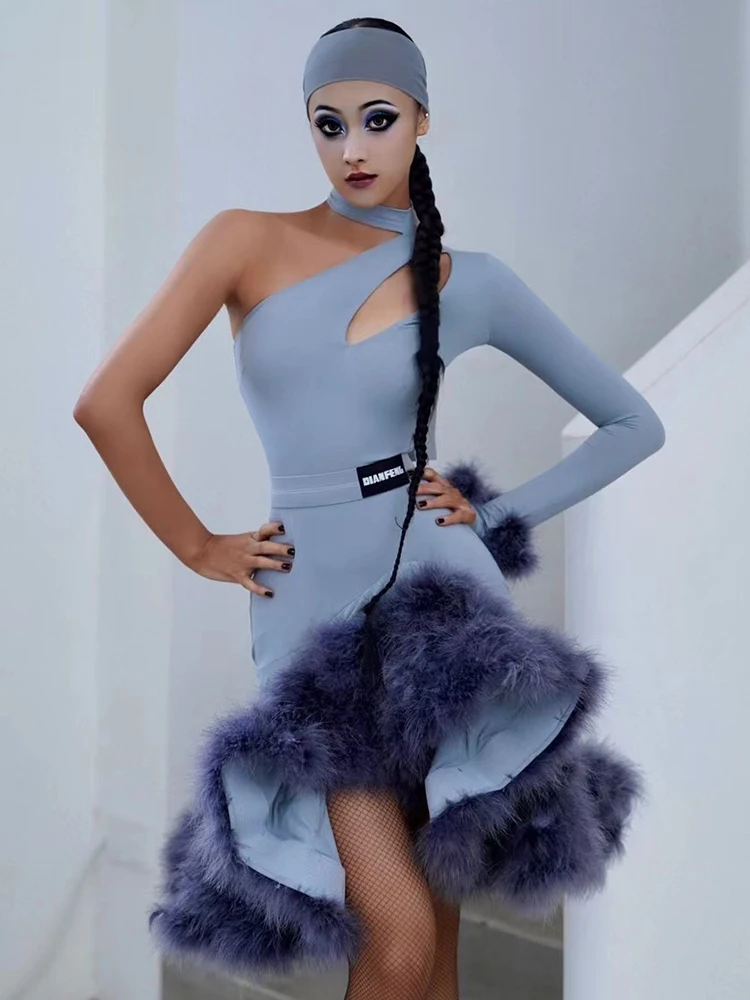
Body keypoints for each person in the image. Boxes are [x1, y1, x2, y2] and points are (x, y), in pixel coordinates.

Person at [74, 16, 666, 1000]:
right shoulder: (243, 239)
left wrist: (493, 517)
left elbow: (632, 423)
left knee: (433, 943)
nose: (352, 147)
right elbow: (106, 402)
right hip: (310, 616)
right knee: (396, 937)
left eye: (378, 119)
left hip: (438, 609)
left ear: (421, 119)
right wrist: (198, 545)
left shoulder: (471, 281)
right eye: (329, 123)